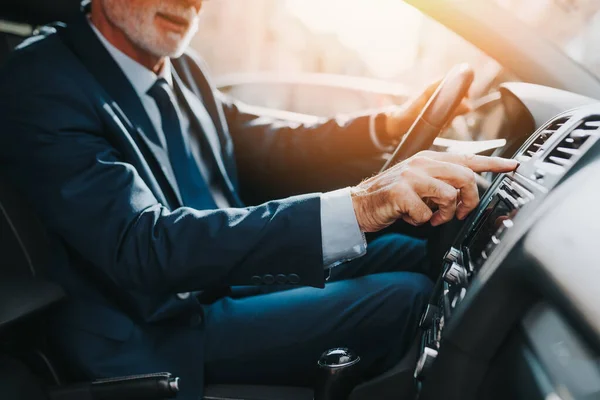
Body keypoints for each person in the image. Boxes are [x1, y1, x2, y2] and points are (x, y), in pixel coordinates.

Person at [0, 0, 517, 398]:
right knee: (404, 296)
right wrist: (360, 205)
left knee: (420, 246)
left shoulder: (181, 67)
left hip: (223, 276)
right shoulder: (42, 80)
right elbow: (143, 245)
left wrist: (388, 125)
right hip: (154, 324)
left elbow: (265, 140)